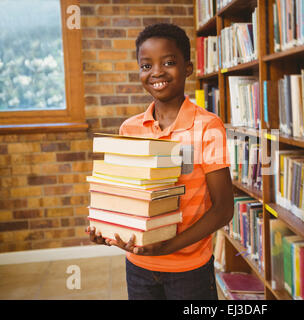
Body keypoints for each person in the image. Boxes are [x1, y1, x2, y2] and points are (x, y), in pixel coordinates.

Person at [86, 23, 234, 300]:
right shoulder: (129, 128)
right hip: (138, 265)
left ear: (188, 68)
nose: (156, 72)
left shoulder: (207, 126)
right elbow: (125, 196)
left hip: (189, 269)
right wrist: (106, 229)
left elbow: (224, 209)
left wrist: (170, 246)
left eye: (169, 62)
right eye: (146, 65)